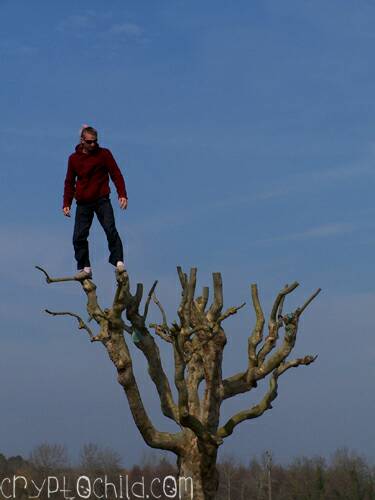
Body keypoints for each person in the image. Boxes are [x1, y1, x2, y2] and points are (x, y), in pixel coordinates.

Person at [62, 125, 128, 280]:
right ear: (82, 141)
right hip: (83, 202)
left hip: (101, 199)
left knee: (110, 228)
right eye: (90, 142)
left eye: (95, 142)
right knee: (79, 236)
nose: (93, 145)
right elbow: (69, 182)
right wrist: (66, 203)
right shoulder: (74, 159)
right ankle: (85, 268)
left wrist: (122, 194)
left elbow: (116, 174)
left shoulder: (104, 154)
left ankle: (118, 261)